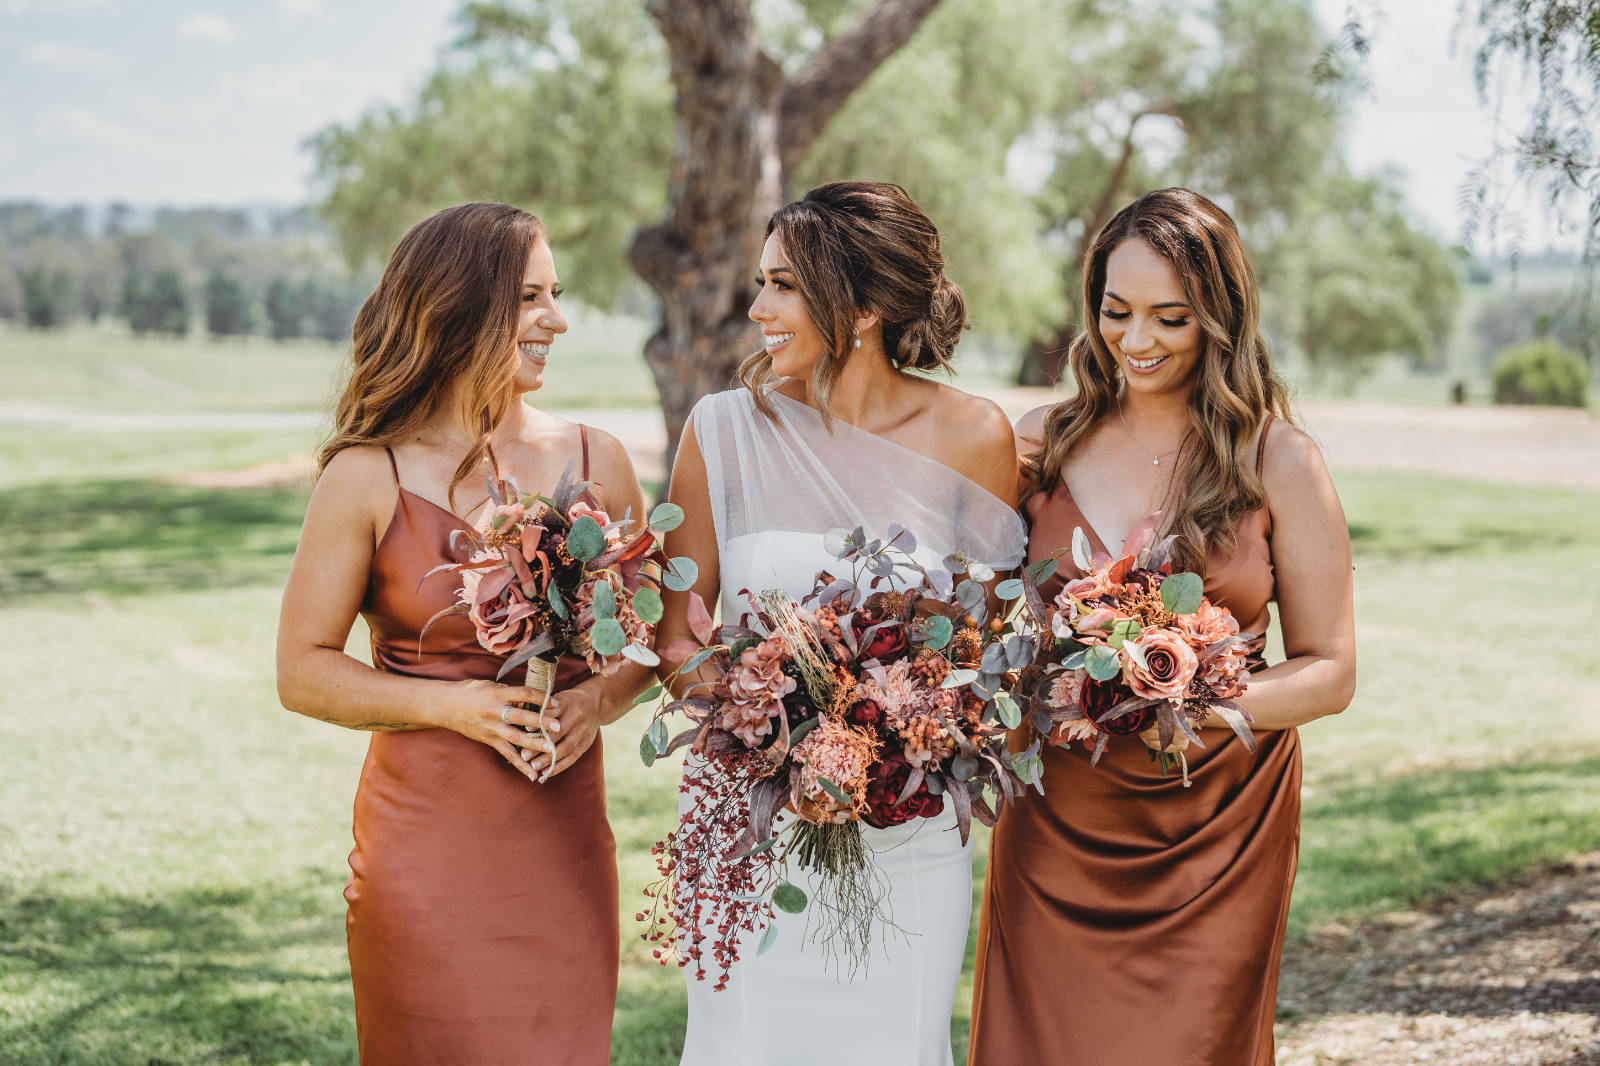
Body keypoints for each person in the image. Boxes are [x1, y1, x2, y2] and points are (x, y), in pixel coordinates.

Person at [969, 187, 1357, 1065]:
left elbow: (1331, 671)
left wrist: (1191, 693)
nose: (1136, 341)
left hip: (1217, 828)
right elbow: (966, 626)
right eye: (1116, 311)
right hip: (1059, 819)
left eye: (1169, 317)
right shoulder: (1041, 443)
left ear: (1219, 317)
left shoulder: (1279, 460)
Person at [656, 180, 1025, 1066]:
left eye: (781, 285)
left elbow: (993, 651)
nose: (756, 308)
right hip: (751, 822)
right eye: (761, 283)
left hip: (908, 833)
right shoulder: (722, 431)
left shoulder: (974, 436)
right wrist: (764, 716)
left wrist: (899, 732)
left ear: (858, 306)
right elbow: (677, 636)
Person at [275, 202, 651, 1064]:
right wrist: (457, 708)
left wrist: (597, 700)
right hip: (424, 853)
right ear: (460, 306)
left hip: (562, 847)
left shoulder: (598, 461)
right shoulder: (367, 475)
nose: (556, 318)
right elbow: (301, 672)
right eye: (530, 298)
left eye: (556, 294)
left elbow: (652, 640)